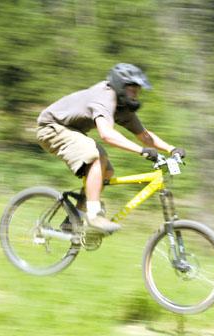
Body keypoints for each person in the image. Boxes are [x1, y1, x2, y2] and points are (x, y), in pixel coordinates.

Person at [36, 63, 186, 234]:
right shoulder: (104, 97)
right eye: (132, 89)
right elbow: (106, 134)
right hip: (51, 127)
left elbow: (144, 136)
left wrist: (171, 149)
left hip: (71, 130)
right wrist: (141, 151)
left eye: (137, 90)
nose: (135, 93)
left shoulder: (123, 109)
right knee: (96, 156)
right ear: (120, 86)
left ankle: (73, 219)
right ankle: (94, 215)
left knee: (106, 172)